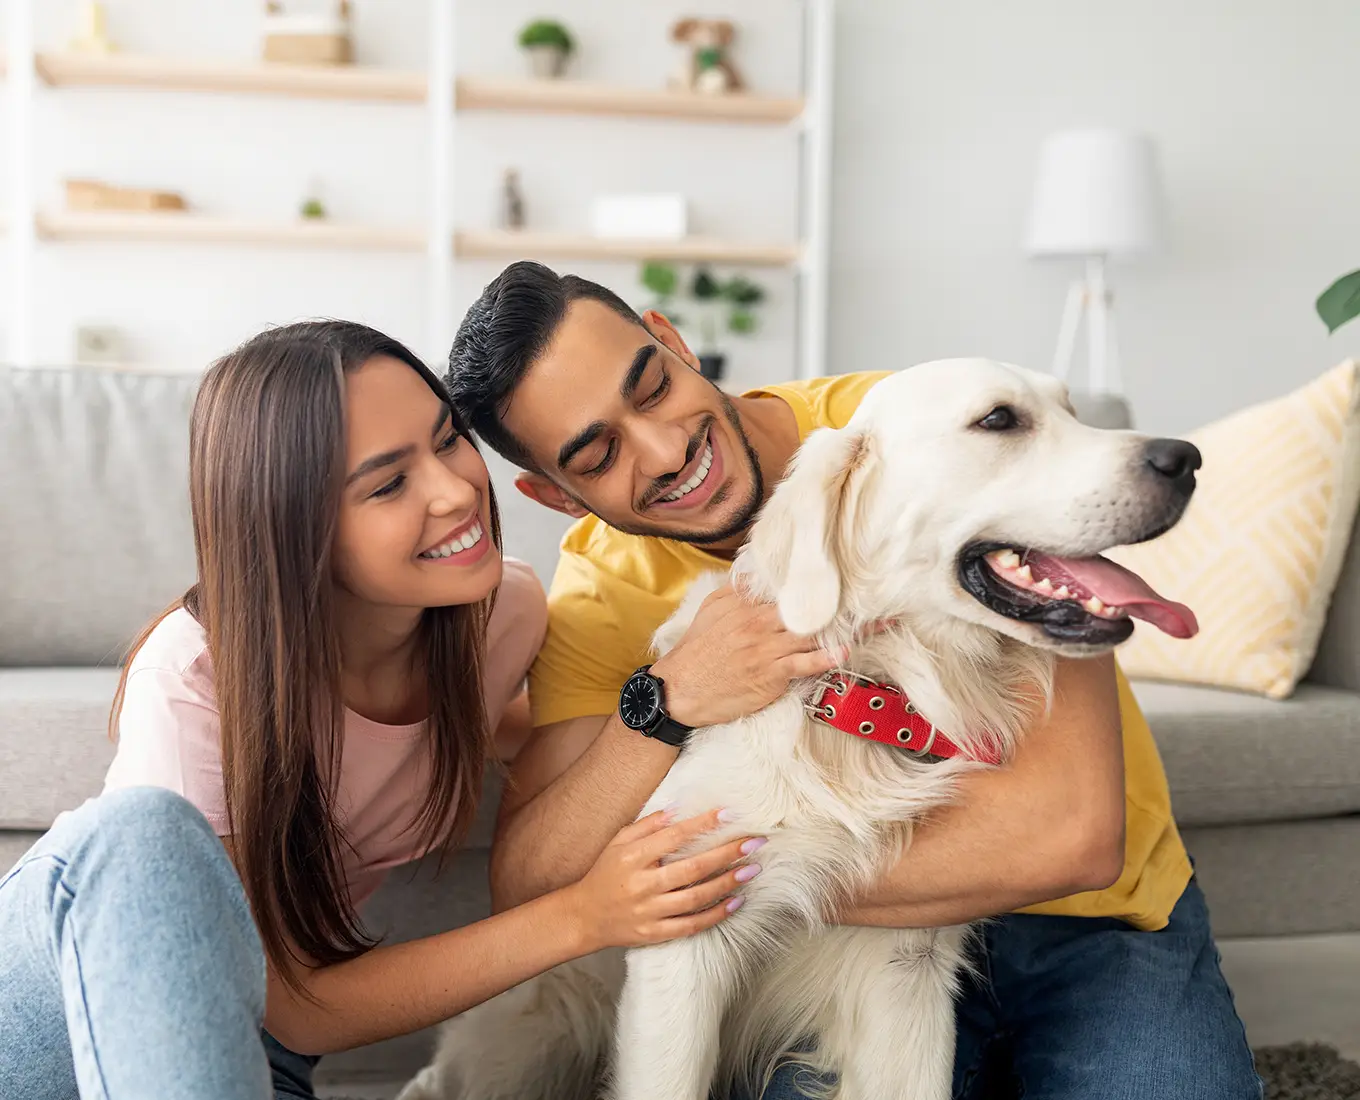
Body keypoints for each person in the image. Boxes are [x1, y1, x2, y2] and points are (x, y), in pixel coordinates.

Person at [443, 262, 1264, 1099]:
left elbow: (1073, 841)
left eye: (651, 387)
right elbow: (536, 884)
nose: (664, 448)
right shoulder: (602, 584)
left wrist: (722, 881)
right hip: (830, 950)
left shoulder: (919, 424)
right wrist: (667, 701)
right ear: (556, 495)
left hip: (1090, 924)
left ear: (671, 340)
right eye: (599, 452)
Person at [0, 320, 792, 1100]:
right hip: (68, 1012)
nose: (457, 491)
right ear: (294, 527)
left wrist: (681, 692)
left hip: (254, 1060)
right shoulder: (194, 674)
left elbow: (545, 748)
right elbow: (299, 1004)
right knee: (142, 835)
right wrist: (584, 916)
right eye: (387, 484)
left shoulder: (498, 615)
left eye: (448, 440)